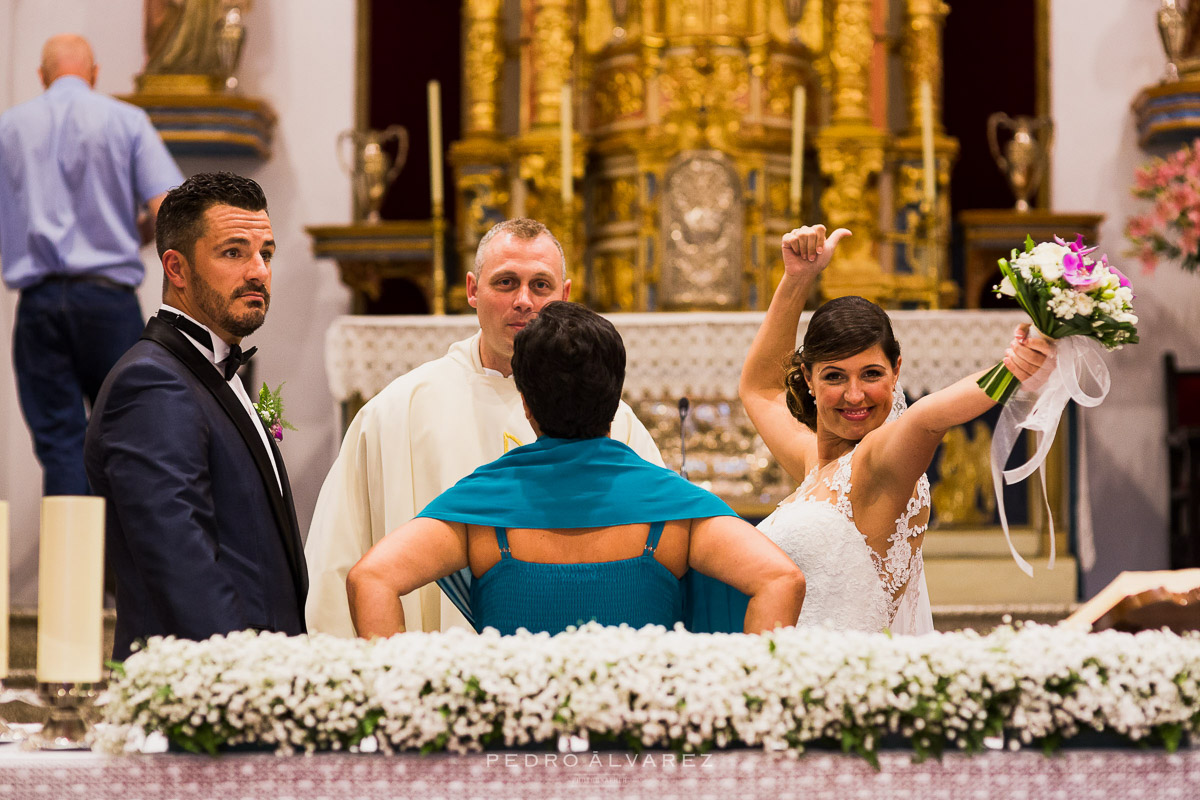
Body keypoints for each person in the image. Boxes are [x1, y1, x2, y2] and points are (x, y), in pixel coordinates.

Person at [347, 302, 806, 637]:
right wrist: (752, 712)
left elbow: (370, 578)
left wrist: (399, 709)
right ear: (614, 400)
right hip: (639, 754)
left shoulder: (480, 507)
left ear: (526, 403)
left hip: (514, 756)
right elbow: (782, 579)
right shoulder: (675, 510)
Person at [305, 218, 664, 638]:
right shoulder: (398, 411)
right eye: (507, 282)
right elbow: (339, 559)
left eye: (541, 286)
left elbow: (654, 543)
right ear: (473, 290)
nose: (524, 301)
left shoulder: (611, 417)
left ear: (565, 296)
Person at [738, 225, 1053, 635]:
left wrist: (1010, 369)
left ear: (896, 371)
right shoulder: (815, 465)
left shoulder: (877, 464)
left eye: (871, 374)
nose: (855, 396)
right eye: (834, 377)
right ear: (808, 378)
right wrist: (797, 280)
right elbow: (760, 389)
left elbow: (927, 417)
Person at [84, 172, 306, 660]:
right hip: (201, 699)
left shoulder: (211, 373)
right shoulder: (152, 385)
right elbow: (182, 567)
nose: (259, 272)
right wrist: (248, 683)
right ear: (176, 269)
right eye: (234, 252)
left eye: (266, 253)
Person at [0, 34, 183, 497]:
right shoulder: (126, 120)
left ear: (42, 77)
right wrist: (127, 234)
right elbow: (170, 210)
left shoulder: (9, 129)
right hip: (108, 301)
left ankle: (70, 570)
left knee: (61, 443)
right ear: (95, 73)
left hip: (38, 302)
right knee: (125, 440)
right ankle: (116, 570)